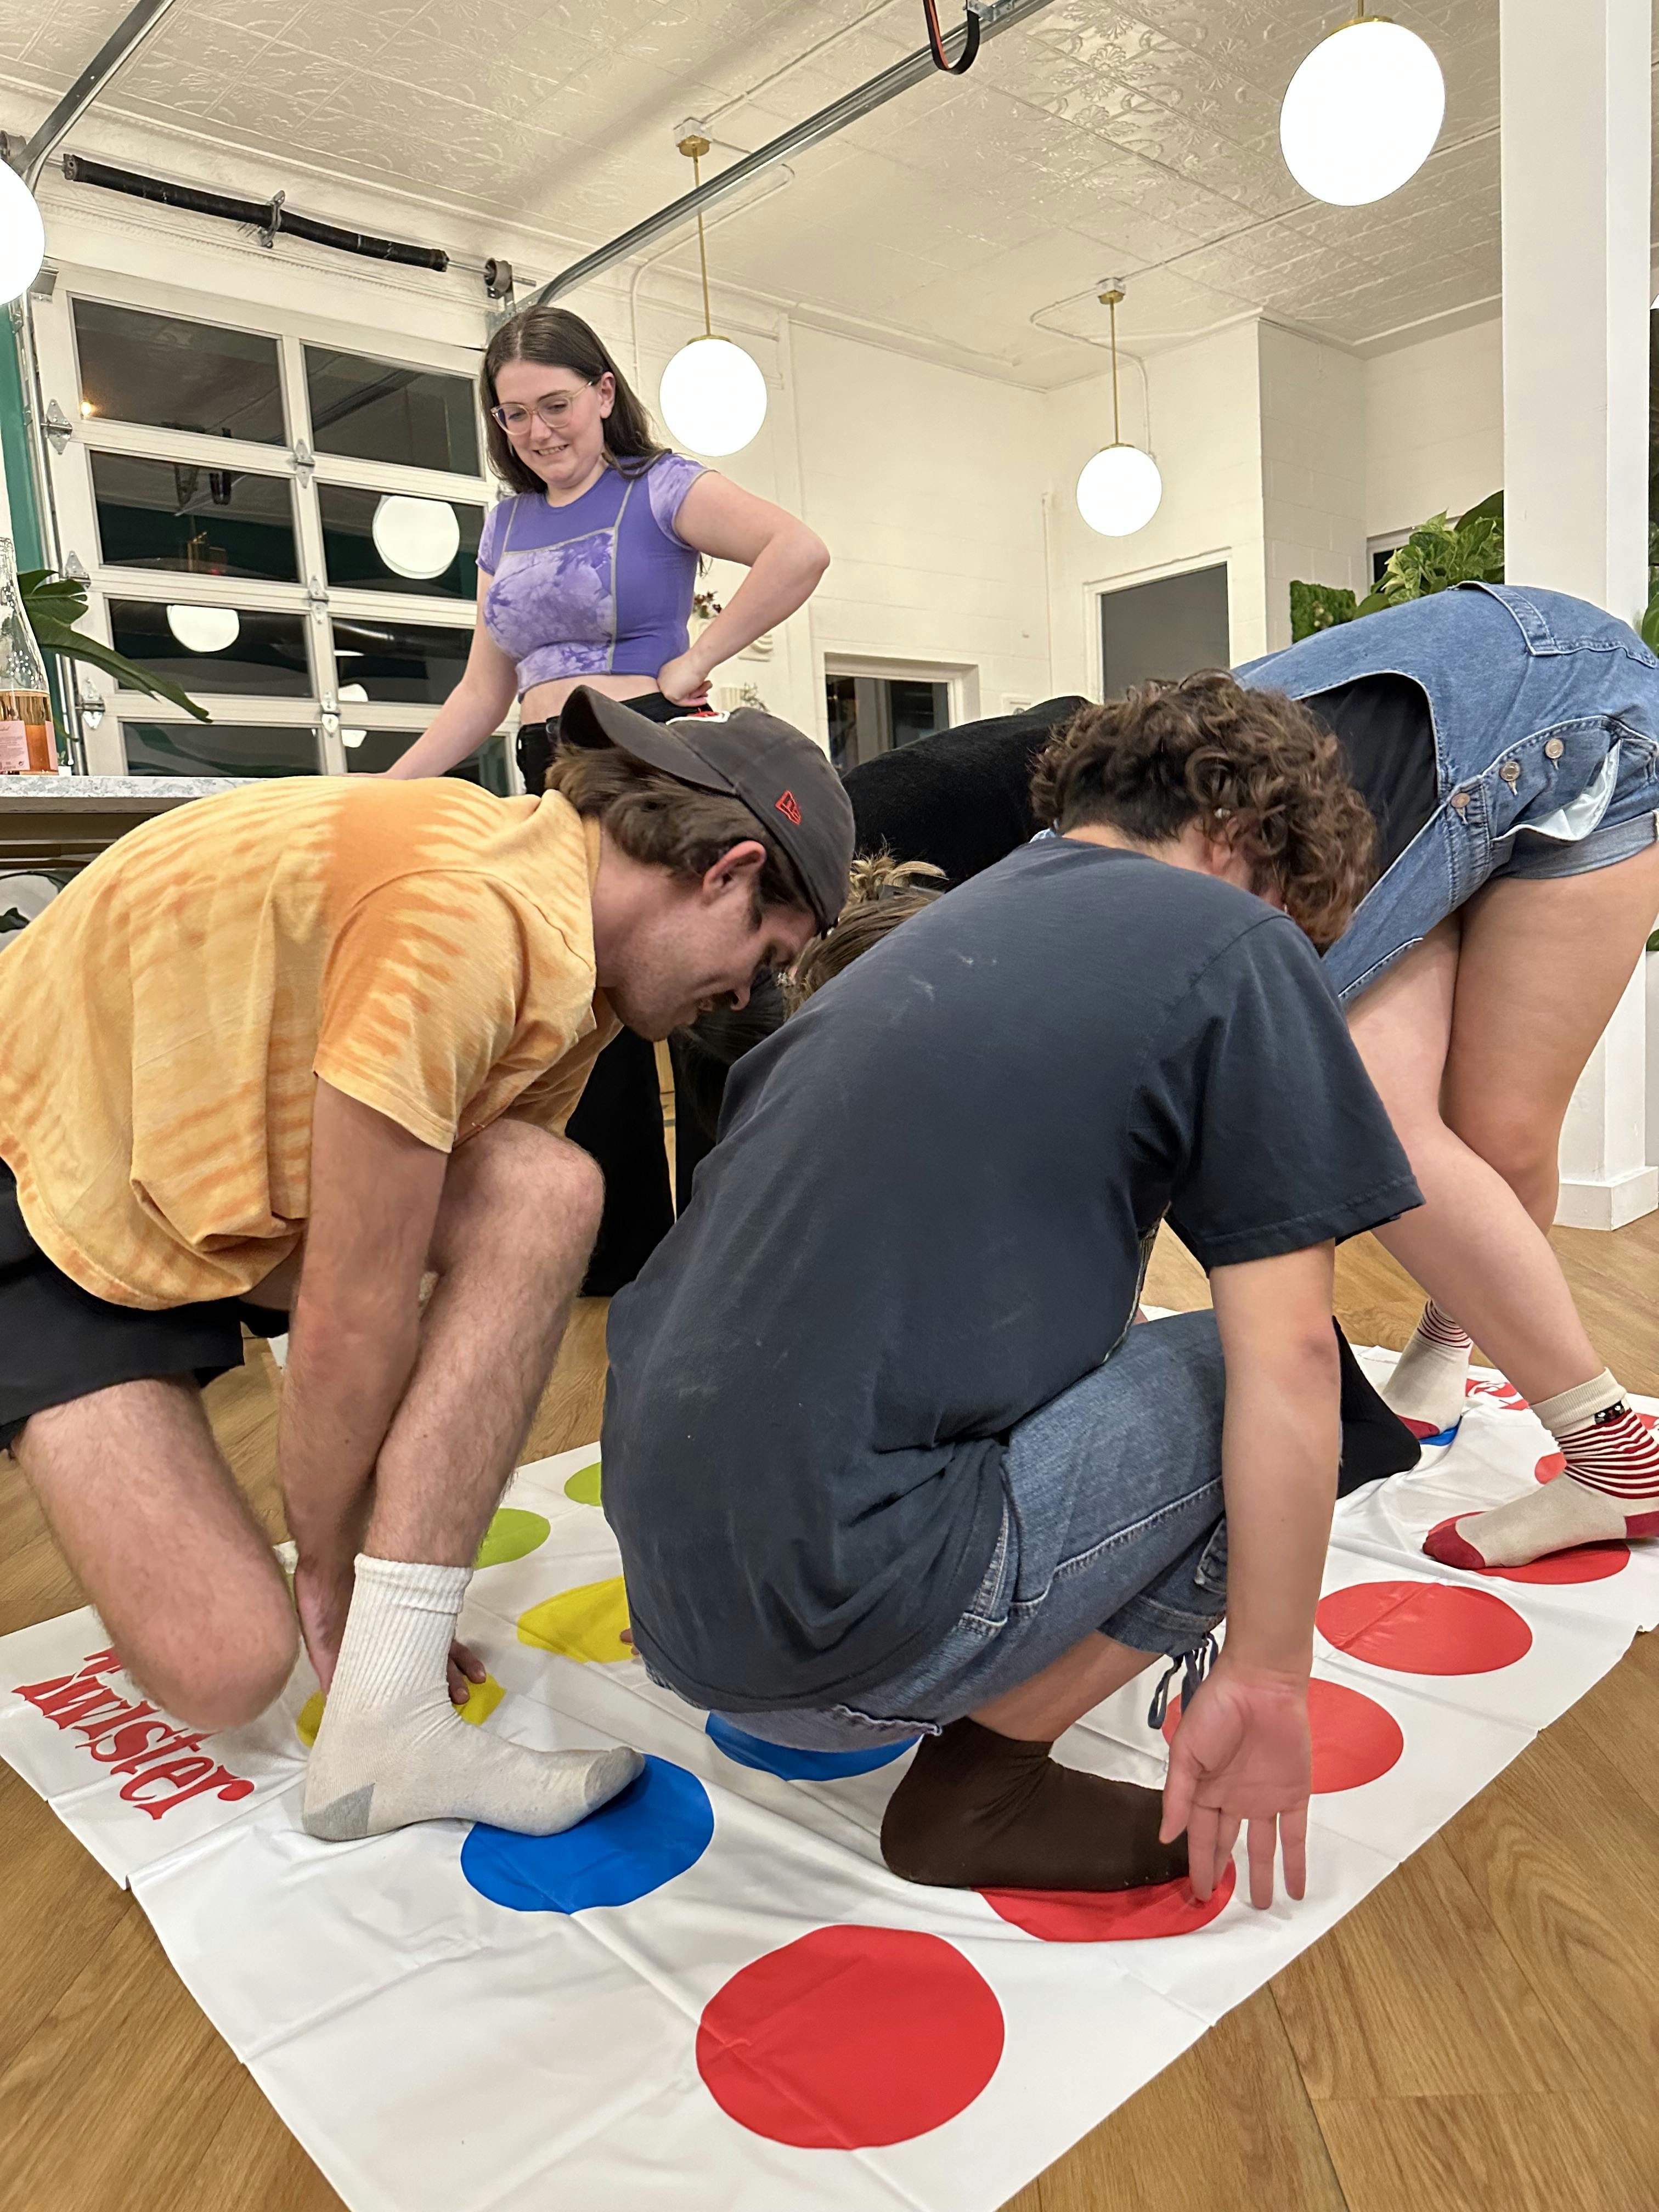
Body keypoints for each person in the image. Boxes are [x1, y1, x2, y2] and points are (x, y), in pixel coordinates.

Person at [602, 680, 1422, 1904]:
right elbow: (1290, 1361)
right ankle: (988, 1779)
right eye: (1298, 920)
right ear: (1247, 844)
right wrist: (1271, 1677)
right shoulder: (1233, 940)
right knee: (1279, 1377)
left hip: (678, 1609)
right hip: (845, 1639)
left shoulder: (919, 940)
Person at [0, 689, 850, 1843]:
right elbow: (354, 1311)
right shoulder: (467, 918)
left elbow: (416, 1283)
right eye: (767, 952)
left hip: (193, 1176)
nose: (745, 995)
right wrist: (335, 1574)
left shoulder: (574, 969)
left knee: (545, 1193)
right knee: (231, 1664)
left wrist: (387, 1617)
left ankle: (387, 1719)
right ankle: (370, 1686)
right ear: (727, 870)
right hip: (40, 1177)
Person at [386, 305, 831, 1294]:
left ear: (602, 394)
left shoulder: (658, 487)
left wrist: (695, 663)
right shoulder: (504, 523)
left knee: (712, 995)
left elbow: (797, 551)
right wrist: (382, 792)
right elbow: (479, 694)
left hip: (648, 754)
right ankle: (613, 1254)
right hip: (548, 762)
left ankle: (735, 1243)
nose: (537, 432)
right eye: (512, 417)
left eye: (555, 405)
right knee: (582, 1009)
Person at [1235, 582, 1659, 1570]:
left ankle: (1617, 1464)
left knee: (1492, 1131)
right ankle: (1456, 1353)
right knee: (1378, 1114)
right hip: (1428, 772)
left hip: (1579, 723)